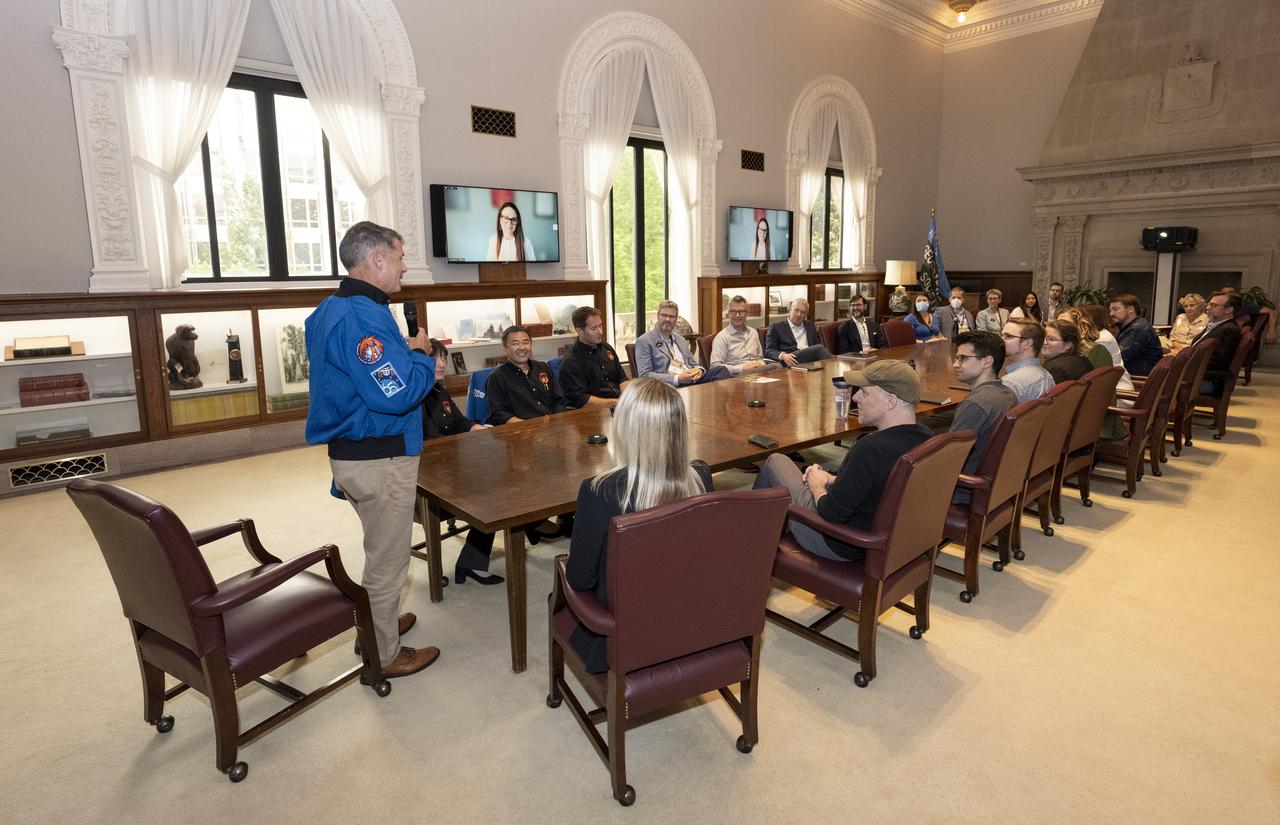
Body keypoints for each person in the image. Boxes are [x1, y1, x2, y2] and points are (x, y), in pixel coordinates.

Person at [304, 221, 440, 679]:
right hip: (378, 459)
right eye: (400, 258)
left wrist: (406, 356)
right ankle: (384, 656)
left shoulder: (330, 309)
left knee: (378, 548)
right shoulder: (363, 317)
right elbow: (396, 393)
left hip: (353, 455)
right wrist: (421, 357)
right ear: (377, 258)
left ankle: (376, 627)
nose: (404, 267)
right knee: (388, 562)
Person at [564, 378, 712, 673]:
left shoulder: (600, 491)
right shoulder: (701, 478)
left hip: (623, 634)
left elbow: (580, 580)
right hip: (690, 621)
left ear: (625, 427)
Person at [752, 360, 932, 561]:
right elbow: (882, 486)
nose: (855, 397)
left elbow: (831, 512)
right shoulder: (928, 439)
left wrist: (817, 485)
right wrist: (834, 479)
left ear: (890, 401)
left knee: (775, 461)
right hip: (888, 541)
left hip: (840, 542)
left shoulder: (870, 449)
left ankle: (747, 549)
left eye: (864, 392)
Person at [419, 339, 507, 586]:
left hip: (451, 464)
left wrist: (480, 428)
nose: (441, 364)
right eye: (434, 359)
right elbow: (431, 442)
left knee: (506, 476)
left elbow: (459, 422)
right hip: (428, 475)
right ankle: (472, 563)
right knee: (492, 495)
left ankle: (532, 528)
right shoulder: (415, 396)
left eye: (444, 358)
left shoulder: (439, 390)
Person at [949, 331, 1017, 501]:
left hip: (965, 491)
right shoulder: (1009, 394)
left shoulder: (975, 404)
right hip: (998, 485)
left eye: (963, 358)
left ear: (987, 361)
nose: (955, 364)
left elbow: (950, 459)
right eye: (956, 358)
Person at [635, 300, 731, 385]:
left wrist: (699, 370)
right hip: (670, 386)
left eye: (672, 316)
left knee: (721, 370)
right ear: (657, 316)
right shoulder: (644, 341)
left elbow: (693, 364)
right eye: (664, 315)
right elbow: (645, 375)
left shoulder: (680, 339)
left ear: (676, 319)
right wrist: (677, 379)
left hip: (692, 379)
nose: (668, 319)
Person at [484, 325, 567, 423]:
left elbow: (559, 399)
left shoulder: (543, 368)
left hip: (552, 425)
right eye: (515, 344)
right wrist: (527, 426)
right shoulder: (497, 378)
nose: (522, 348)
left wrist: (555, 420)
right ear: (505, 349)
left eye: (525, 343)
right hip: (521, 428)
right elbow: (498, 413)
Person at [559, 306, 629, 408]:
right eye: (594, 328)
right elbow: (583, 401)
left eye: (600, 326)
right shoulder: (571, 361)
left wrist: (627, 398)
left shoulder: (606, 348)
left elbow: (622, 379)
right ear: (579, 331)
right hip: (595, 410)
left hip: (618, 404)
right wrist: (618, 403)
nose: (600, 332)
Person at [1193, 290, 1243, 395]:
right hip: (1198, 375)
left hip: (1206, 381)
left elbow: (1217, 362)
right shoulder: (1216, 325)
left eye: (1213, 305)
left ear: (1229, 309)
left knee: (1160, 382)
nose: (1207, 308)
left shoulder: (1229, 330)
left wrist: (1185, 367)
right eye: (1208, 304)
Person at [711, 295, 770, 374]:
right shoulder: (722, 337)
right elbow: (715, 367)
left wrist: (761, 364)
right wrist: (742, 368)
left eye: (741, 311)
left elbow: (760, 358)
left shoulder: (753, 333)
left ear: (747, 313)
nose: (737, 315)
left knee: (777, 366)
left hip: (758, 372)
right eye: (733, 311)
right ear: (729, 313)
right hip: (737, 376)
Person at [1000, 318, 1055, 402]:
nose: (1001, 340)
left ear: (1027, 343)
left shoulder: (1010, 383)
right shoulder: (1048, 376)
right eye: (1002, 335)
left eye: (1008, 336)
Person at [765, 298, 833, 365]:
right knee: (819, 349)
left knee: (819, 351)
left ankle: (833, 366)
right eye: (796, 310)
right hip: (791, 359)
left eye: (802, 312)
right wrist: (783, 356)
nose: (799, 314)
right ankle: (834, 365)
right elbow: (769, 351)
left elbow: (814, 346)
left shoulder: (810, 325)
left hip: (810, 360)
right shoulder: (776, 328)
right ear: (790, 311)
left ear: (806, 315)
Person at [1109, 293, 1162, 376]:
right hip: (1129, 376)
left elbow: (1117, 359)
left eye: (1115, 309)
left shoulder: (1138, 329)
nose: (1111, 314)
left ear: (1130, 309)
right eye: (1110, 310)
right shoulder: (1127, 327)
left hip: (1137, 380)